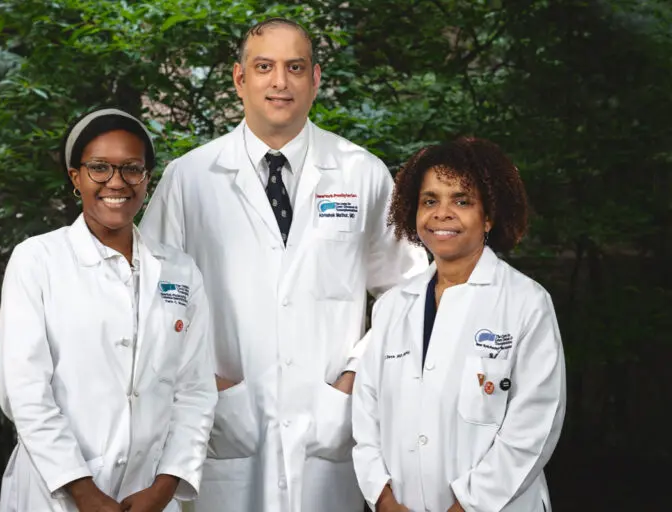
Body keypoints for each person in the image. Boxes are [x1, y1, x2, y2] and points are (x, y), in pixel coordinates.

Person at [139, 17, 427, 512]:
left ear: (315, 79)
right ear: (239, 78)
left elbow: (413, 289)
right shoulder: (190, 178)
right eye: (264, 67)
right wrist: (205, 382)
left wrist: (355, 376)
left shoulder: (361, 173)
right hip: (223, 430)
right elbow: (149, 297)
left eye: (295, 67)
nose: (280, 82)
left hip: (328, 427)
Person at [0, 108, 217, 512]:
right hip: (57, 494)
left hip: (147, 493)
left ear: (147, 178)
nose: (116, 182)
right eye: (99, 167)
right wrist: (84, 493)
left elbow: (195, 391)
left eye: (132, 169)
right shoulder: (38, 260)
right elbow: (25, 393)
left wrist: (164, 487)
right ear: (75, 176)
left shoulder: (180, 270)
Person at [351, 137, 566, 512]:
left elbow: (533, 427)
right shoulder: (391, 307)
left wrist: (467, 506)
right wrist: (383, 499)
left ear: (489, 216)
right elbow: (366, 418)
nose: (442, 213)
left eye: (461, 201)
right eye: (429, 201)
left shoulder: (526, 303)